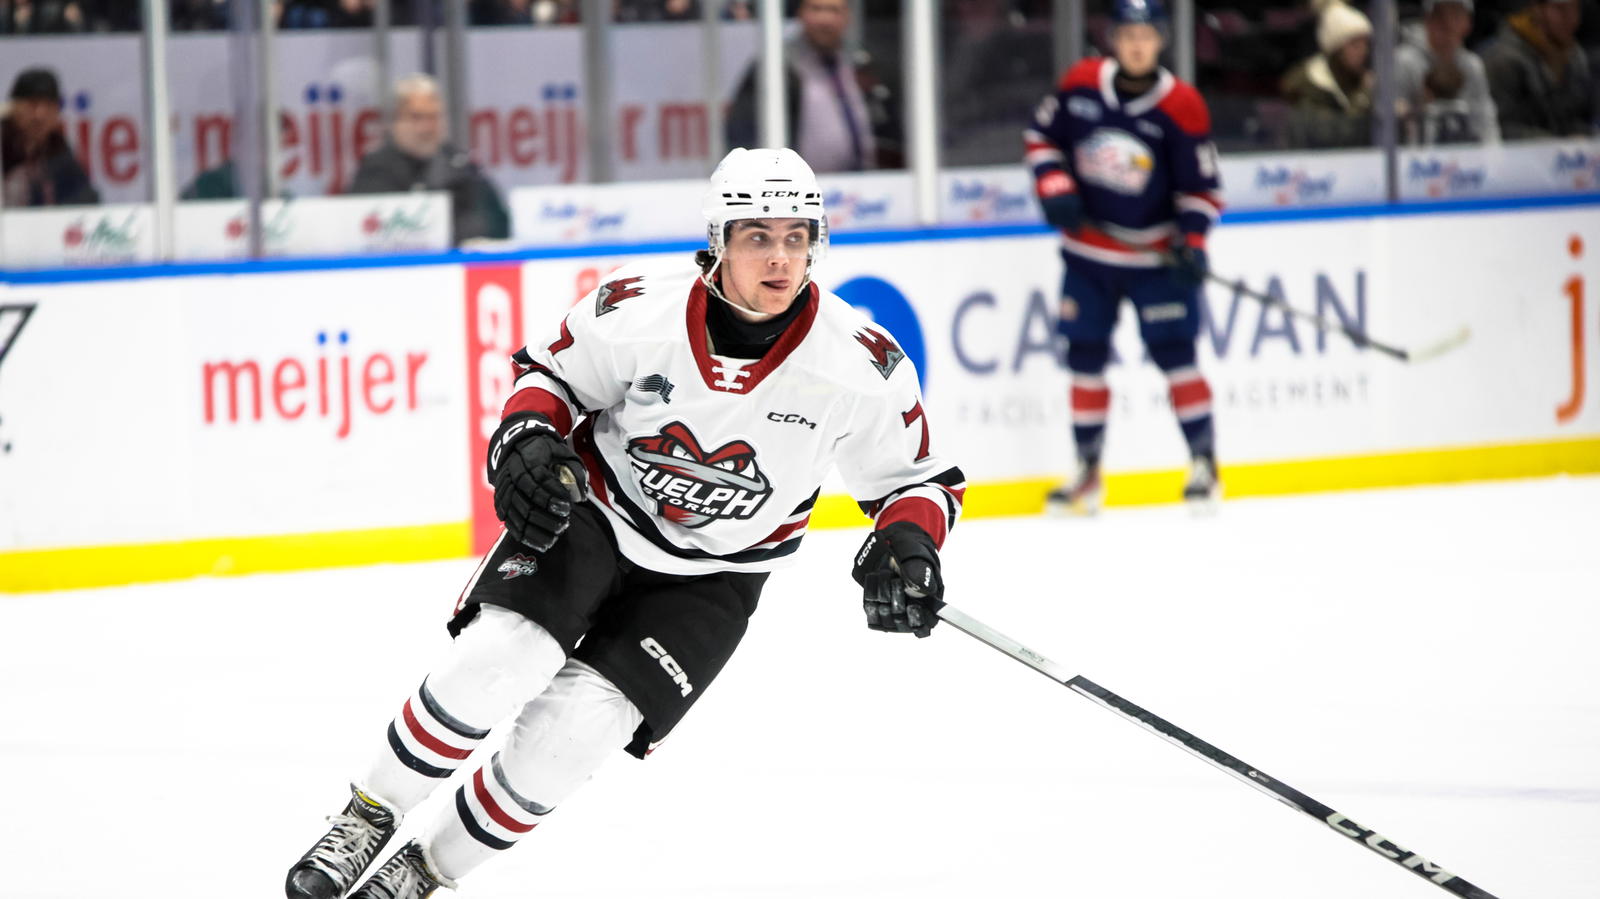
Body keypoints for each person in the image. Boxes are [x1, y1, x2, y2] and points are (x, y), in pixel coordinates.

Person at [283, 147, 966, 899]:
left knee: (570, 739)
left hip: (716, 577)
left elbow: (918, 480)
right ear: (718, 242)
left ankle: (423, 871)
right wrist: (528, 438)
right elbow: (549, 379)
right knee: (497, 658)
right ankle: (368, 815)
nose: (779, 258)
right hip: (595, 518)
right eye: (757, 237)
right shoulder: (638, 308)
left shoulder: (859, 365)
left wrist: (911, 541)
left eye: (795, 237)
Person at [1023, 0, 1224, 515]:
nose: (1138, 44)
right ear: (1113, 37)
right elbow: (1041, 137)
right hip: (1088, 257)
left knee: (1176, 356)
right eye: (1128, 34)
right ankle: (1087, 473)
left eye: (1148, 34)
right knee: (1085, 360)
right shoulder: (1082, 83)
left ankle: (1204, 464)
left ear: (1161, 40)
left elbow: (1202, 188)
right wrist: (1055, 184)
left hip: (1155, 260)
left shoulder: (1182, 105)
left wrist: (1193, 241)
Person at [725, 0, 902, 172]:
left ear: (847, 16)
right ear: (800, 14)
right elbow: (745, 133)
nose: (825, 20)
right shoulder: (777, 68)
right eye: (816, 9)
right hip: (799, 189)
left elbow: (887, 129)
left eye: (834, 10)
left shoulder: (861, 64)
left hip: (865, 185)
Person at [347, 74, 510, 245]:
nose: (427, 128)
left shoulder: (461, 166)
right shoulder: (376, 170)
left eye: (433, 117)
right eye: (417, 117)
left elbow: (496, 222)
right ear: (396, 121)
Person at [1481, 0, 1597, 138]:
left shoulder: (1575, 55)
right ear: (1536, 9)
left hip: (1567, 155)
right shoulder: (1503, 59)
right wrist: (1560, 144)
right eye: (1560, 9)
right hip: (1519, 157)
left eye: (1575, 9)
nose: (1571, 18)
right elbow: (1499, 128)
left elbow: (1581, 117)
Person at [1396, 0, 1500, 144]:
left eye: (1456, 16)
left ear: (1468, 23)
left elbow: (1485, 119)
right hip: (1416, 154)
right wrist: (1415, 110)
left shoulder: (1472, 65)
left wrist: (1492, 157)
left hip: (1466, 153)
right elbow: (1389, 119)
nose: (1449, 24)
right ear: (1427, 20)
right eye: (1440, 16)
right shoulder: (1404, 61)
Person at [1280, 0, 1376, 148]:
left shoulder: (1361, 82)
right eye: (1355, 45)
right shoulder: (1309, 89)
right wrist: (1364, 98)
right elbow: (1333, 137)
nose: (1363, 52)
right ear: (1336, 50)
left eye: (1365, 44)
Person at [1, 68, 99, 207]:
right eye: (32, 105)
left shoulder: (56, 147)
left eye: (48, 106)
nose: (39, 115)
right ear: (14, 106)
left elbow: (86, 197)